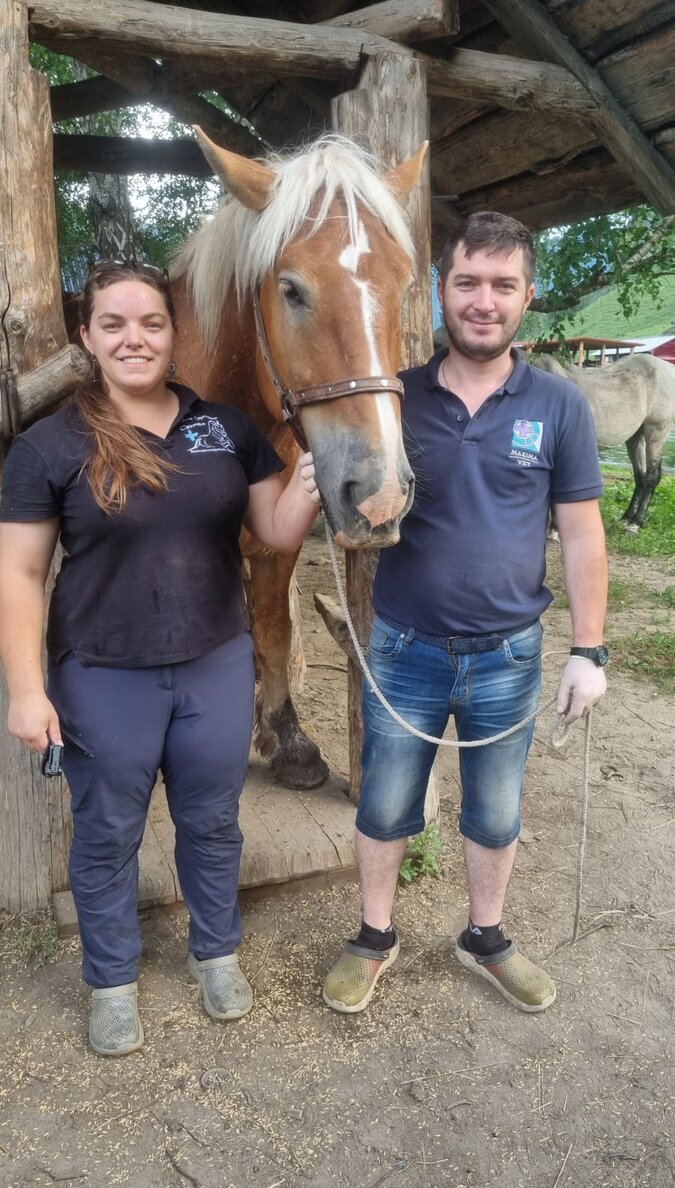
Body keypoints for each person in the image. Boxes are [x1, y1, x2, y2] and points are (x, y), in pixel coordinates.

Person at [0, 260, 320, 1056]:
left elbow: (275, 533)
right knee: (106, 833)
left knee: (212, 823)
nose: (134, 338)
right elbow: (20, 573)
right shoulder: (50, 445)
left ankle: (216, 955)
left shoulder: (226, 429)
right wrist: (26, 690)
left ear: (174, 333)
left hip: (215, 661)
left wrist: (315, 472)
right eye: (113, 324)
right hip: (102, 673)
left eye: (150, 323)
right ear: (87, 337)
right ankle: (111, 982)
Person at [322, 213, 608, 1016]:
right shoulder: (393, 398)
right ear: (441, 291)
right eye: (468, 283)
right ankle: (374, 936)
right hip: (404, 644)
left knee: (494, 811)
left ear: (527, 295)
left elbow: (581, 535)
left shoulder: (558, 405)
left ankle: (484, 936)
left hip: (508, 655)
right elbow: (350, 507)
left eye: (502, 285)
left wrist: (590, 650)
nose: (484, 301)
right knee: (383, 804)